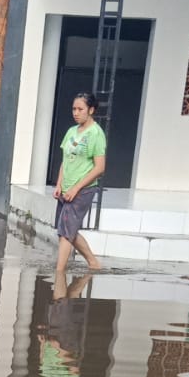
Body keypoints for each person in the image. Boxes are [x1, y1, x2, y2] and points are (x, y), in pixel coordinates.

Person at [53, 91, 106, 273]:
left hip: (82, 190)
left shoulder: (96, 134)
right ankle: (93, 263)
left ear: (91, 110)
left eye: (80, 109)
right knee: (66, 230)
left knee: (66, 233)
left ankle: (59, 273)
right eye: (74, 109)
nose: (76, 113)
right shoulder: (71, 132)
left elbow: (99, 167)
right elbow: (65, 160)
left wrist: (76, 188)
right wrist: (59, 184)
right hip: (66, 189)